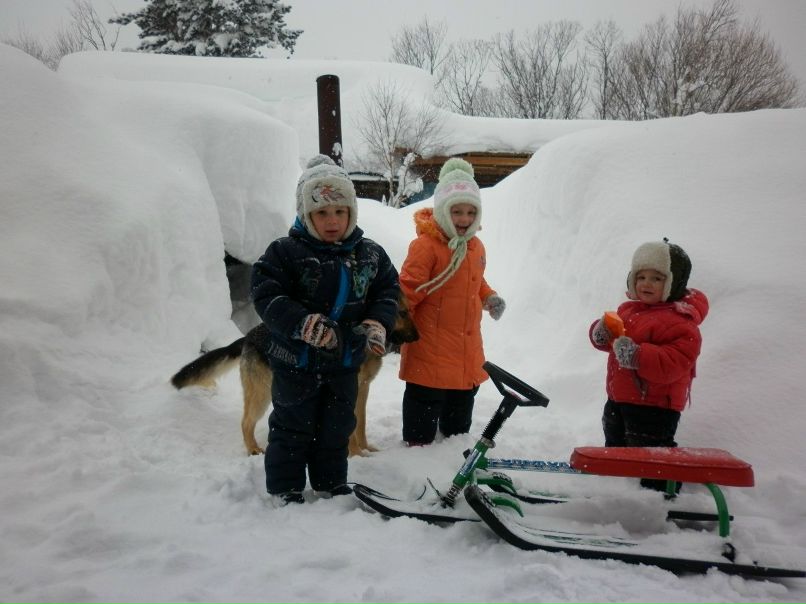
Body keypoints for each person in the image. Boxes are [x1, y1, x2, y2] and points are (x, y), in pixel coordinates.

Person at [251, 154, 399, 506]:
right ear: (305, 214)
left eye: (340, 211)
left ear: (352, 212)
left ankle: (331, 483)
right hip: (296, 362)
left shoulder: (370, 255)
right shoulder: (285, 252)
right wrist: (302, 323)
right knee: (292, 427)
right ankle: (286, 487)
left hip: (344, 362)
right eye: (321, 213)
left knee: (336, 428)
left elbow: (388, 290)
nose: (332, 221)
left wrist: (377, 321)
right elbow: (266, 293)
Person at [398, 157, 505, 445]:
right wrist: (392, 327)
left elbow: (475, 281)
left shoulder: (474, 246)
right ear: (443, 211)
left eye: (471, 212)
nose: (464, 219)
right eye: (456, 211)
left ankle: (452, 461)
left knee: (457, 430)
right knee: (422, 420)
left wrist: (488, 296)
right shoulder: (426, 247)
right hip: (429, 350)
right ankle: (415, 464)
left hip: (465, 351)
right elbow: (407, 291)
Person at [589, 238, 709, 491]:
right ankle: (615, 493)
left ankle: (659, 500)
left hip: (655, 408)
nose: (646, 283)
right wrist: (601, 334)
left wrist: (636, 355)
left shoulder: (682, 322)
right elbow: (612, 342)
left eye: (656, 278)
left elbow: (672, 364)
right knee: (616, 451)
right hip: (618, 400)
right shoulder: (628, 310)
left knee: (651, 459)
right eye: (641, 276)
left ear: (673, 282)